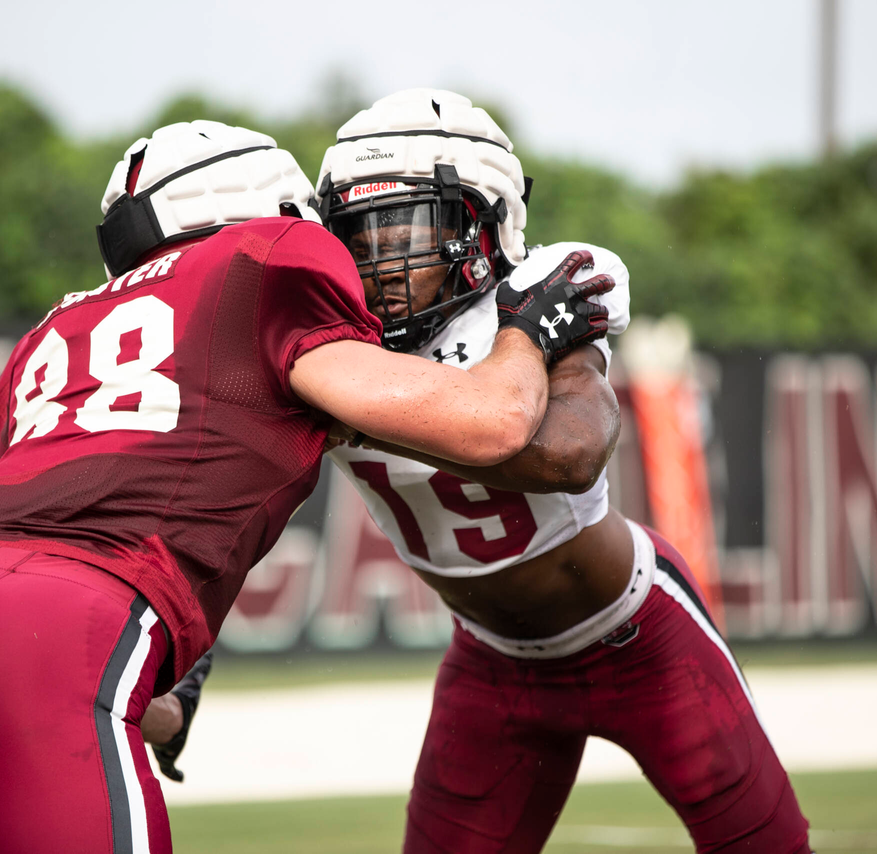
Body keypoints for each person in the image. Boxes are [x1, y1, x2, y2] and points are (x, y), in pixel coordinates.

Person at [0, 119, 612, 854]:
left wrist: (156, 705)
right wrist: (525, 330)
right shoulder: (265, 262)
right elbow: (495, 424)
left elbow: (36, 595)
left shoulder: (51, 333)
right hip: (63, 635)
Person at [317, 90, 811, 854]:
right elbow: (232, 504)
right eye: (361, 232)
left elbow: (576, 453)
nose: (382, 259)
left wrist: (377, 416)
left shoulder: (536, 292)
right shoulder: (324, 342)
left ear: (482, 223)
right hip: (491, 665)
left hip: (638, 636)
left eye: (407, 226)